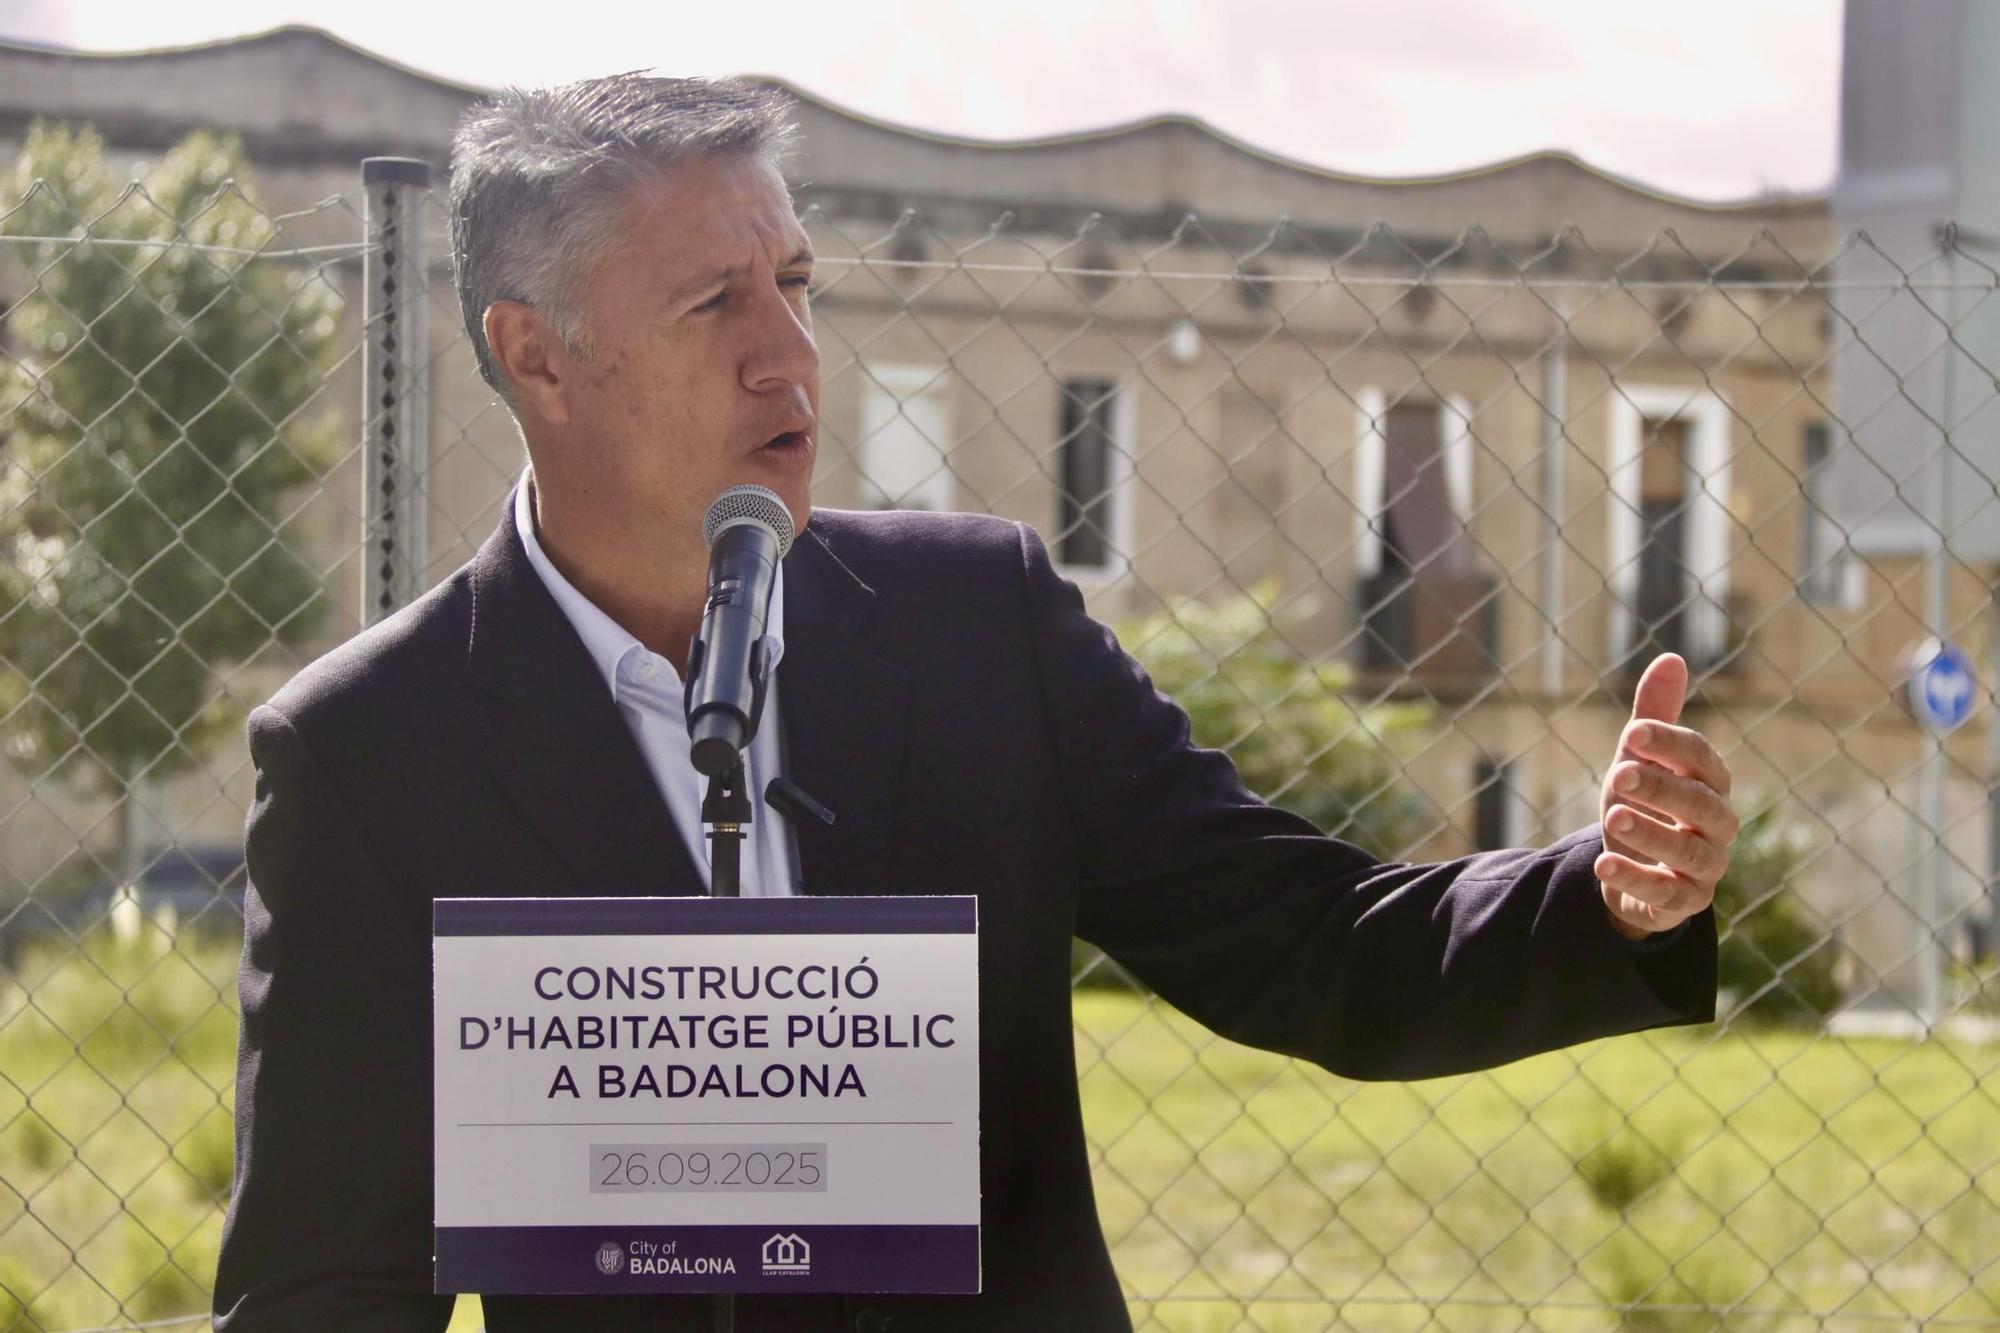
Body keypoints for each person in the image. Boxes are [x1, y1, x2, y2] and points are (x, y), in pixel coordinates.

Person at [211, 74, 1735, 1332]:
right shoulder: (367, 753)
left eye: (797, 283)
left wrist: (1607, 895)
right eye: (716, 302)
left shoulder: (980, 624)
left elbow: (1313, 946)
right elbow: (320, 1290)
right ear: (535, 354)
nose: (791, 352)